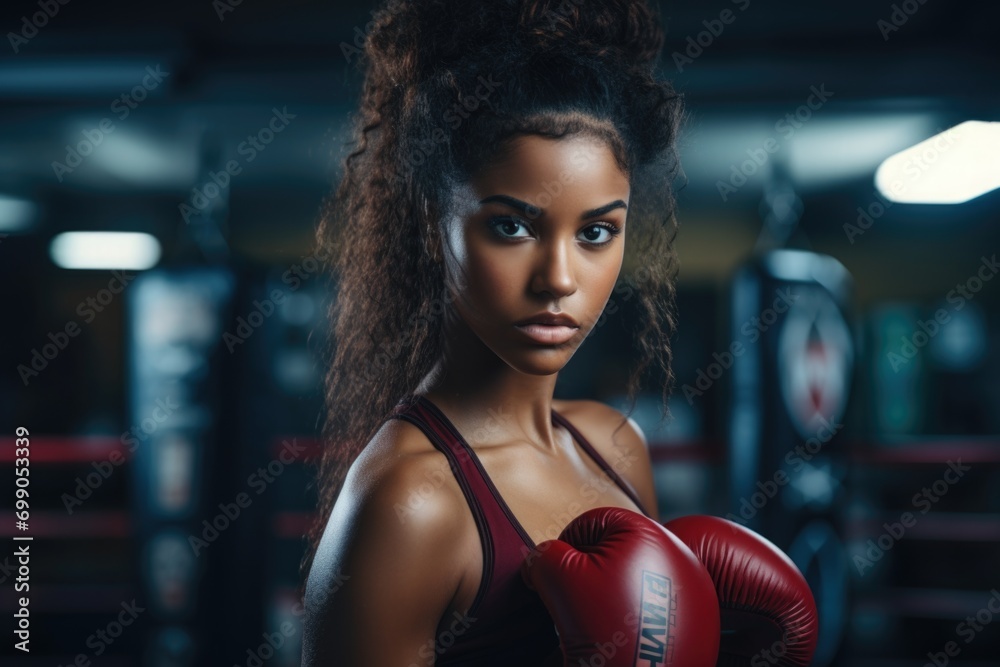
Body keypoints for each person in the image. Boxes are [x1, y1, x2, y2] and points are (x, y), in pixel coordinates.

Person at [300, 0, 686, 664]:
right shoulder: (409, 502)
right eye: (511, 225)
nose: (558, 278)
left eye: (596, 232)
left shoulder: (617, 448)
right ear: (433, 222)